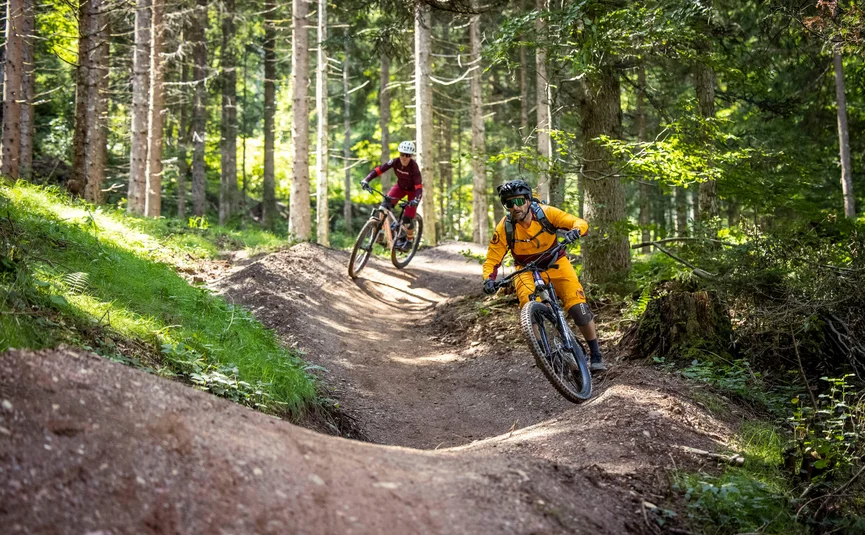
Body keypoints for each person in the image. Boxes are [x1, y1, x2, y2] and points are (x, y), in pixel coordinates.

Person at [481, 179, 607, 372]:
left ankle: (596, 353)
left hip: (556, 263)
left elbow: (579, 222)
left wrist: (575, 231)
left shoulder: (546, 213)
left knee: (578, 308)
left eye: (519, 201)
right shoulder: (504, 227)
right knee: (529, 310)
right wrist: (488, 279)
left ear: (529, 200)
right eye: (509, 203)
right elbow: (492, 258)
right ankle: (547, 355)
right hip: (525, 270)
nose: (515, 207)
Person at [360, 140, 422, 250]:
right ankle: (381, 233)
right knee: (383, 207)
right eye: (402, 154)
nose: (404, 157)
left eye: (407, 155)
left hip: (413, 192)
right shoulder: (395, 162)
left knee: (407, 219)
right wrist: (366, 179)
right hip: (400, 188)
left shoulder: (414, 167)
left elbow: (418, 187)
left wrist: (416, 200)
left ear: (411, 156)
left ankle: (410, 240)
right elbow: (379, 170)